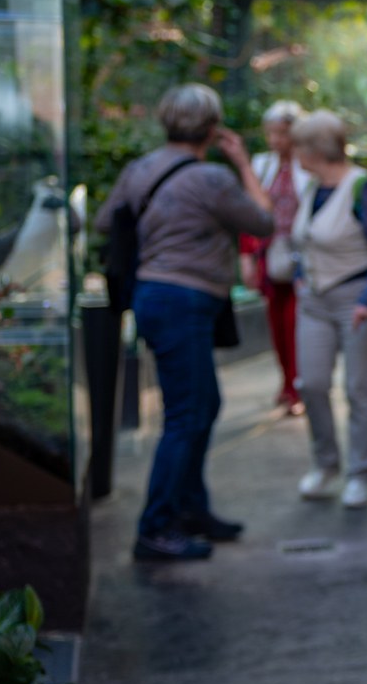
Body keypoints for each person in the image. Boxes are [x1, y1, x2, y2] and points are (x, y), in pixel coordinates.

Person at [95, 83, 273, 561]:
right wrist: (242, 164)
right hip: (183, 301)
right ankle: (155, 528)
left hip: (153, 297)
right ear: (212, 129)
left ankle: (191, 509)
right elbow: (263, 221)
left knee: (202, 405)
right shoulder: (212, 178)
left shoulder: (140, 169)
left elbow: (104, 221)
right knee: (186, 415)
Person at [289, 110, 367, 510]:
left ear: (315, 149)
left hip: (356, 299)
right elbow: (304, 241)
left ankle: (359, 475)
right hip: (314, 301)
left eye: (298, 145)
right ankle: (326, 464)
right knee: (311, 384)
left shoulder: (358, 186)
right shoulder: (312, 187)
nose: (293, 152)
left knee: (359, 389)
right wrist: (300, 275)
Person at [240, 100, 309, 415]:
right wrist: (247, 257)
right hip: (271, 254)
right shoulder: (261, 165)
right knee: (276, 322)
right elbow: (250, 214)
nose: (275, 140)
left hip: (301, 258)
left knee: (295, 322)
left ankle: (296, 387)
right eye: (270, 133)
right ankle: (286, 382)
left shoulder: (307, 164)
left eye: (281, 133)